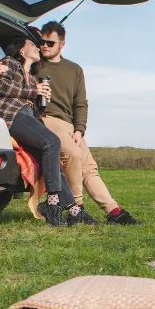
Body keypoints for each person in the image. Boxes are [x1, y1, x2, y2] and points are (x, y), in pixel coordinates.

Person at [38, 21, 141, 225]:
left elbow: (81, 104)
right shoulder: (35, 65)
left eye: (50, 43)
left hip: (69, 124)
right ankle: (77, 209)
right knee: (73, 154)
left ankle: (114, 212)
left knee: (89, 168)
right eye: (42, 42)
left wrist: (79, 130)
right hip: (46, 119)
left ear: (62, 44)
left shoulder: (74, 69)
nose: (44, 46)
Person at [0, 29, 97, 226]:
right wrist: (34, 91)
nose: (37, 47)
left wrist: (42, 99)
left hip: (28, 116)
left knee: (52, 162)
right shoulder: (9, 63)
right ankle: (52, 203)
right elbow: (2, 88)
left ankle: (75, 210)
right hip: (11, 114)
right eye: (32, 45)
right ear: (21, 50)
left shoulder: (33, 76)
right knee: (52, 141)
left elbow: (32, 100)